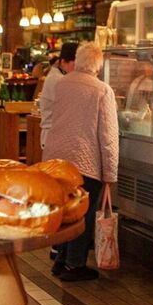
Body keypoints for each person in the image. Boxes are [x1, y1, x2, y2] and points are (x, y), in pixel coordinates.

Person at [42, 43, 117, 282]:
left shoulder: (63, 83)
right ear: (98, 64)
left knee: (66, 211)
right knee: (82, 214)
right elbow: (108, 136)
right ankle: (75, 265)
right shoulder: (102, 90)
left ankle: (61, 260)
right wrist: (110, 174)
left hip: (57, 158)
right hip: (84, 161)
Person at [37, 42, 77, 148]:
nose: (76, 69)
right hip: (53, 135)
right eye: (74, 65)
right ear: (63, 62)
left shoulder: (59, 76)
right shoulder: (58, 79)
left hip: (55, 134)